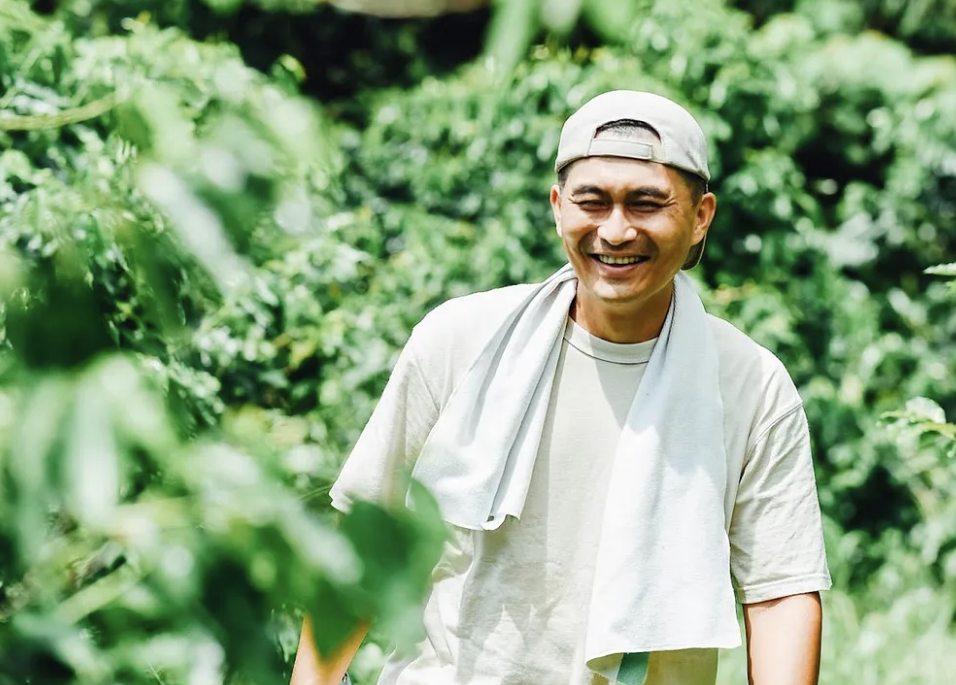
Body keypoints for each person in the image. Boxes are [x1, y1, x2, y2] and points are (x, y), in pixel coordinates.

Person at [290, 90, 830, 685]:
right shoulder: (461, 341)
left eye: (648, 204)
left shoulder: (751, 385)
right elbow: (369, 541)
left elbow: (779, 593)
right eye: (592, 202)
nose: (617, 231)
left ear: (701, 215)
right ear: (557, 207)